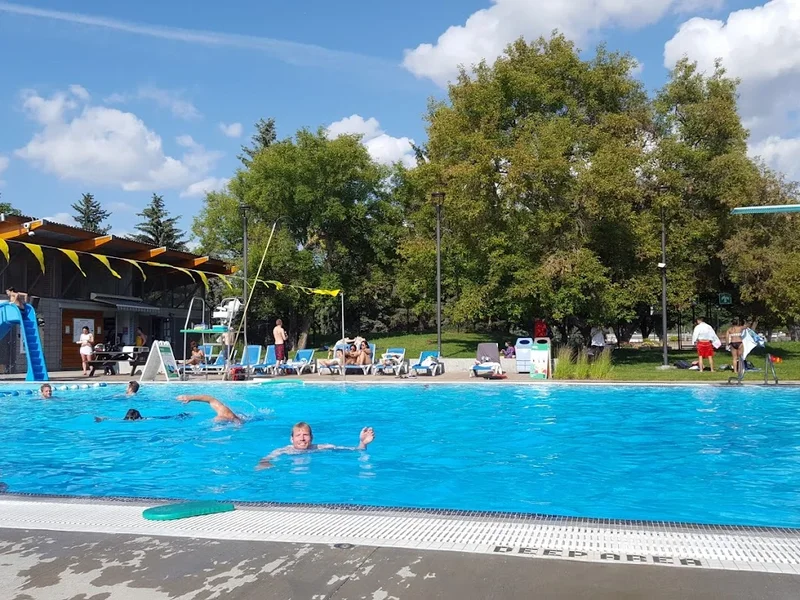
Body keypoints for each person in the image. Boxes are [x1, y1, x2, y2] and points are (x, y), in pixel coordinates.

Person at [256, 422, 375, 470]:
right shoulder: (285, 451)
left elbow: (354, 451)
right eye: (298, 435)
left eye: (305, 435)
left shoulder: (321, 448)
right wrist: (265, 464)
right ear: (291, 439)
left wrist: (363, 443)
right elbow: (265, 459)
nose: (302, 438)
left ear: (311, 438)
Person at [177, 394, 242, 424]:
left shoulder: (223, 411)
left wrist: (190, 397)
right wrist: (190, 398)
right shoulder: (223, 410)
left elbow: (209, 398)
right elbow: (209, 399)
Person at [95, 408, 190, 422]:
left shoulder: (144, 419)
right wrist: (102, 418)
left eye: (131, 418)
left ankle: (183, 415)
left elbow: (162, 418)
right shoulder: (125, 420)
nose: (130, 420)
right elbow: (112, 419)